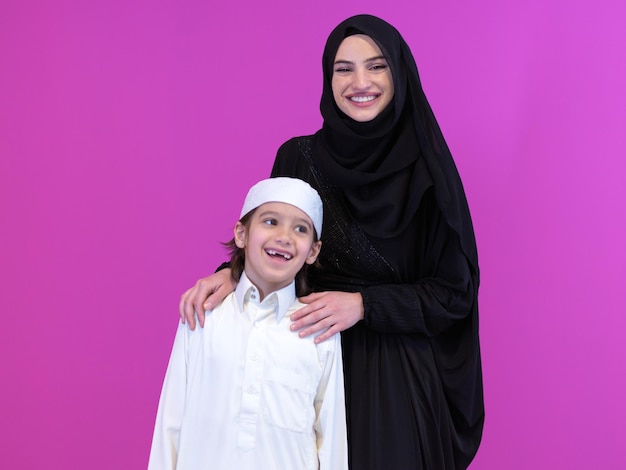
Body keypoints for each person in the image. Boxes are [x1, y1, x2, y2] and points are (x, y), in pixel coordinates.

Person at [180, 14, 484, 470]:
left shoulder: (429, 174)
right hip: (300, 359)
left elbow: (454, 294)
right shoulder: (298, 156)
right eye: (344, 69)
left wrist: (364, 305)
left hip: (391, 381)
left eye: (376, 66)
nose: (360, 82)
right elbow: (276, 240)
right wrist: (229, 273)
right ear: (328, 78)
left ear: (399, 74)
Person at [149, 177, 348, 470]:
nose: (284, 236)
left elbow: (330, 439)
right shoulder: (205, 314)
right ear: (241, 233)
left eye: (300, 229)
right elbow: (171, 423)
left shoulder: (318, 327)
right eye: (270, 221)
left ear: (313, 251)